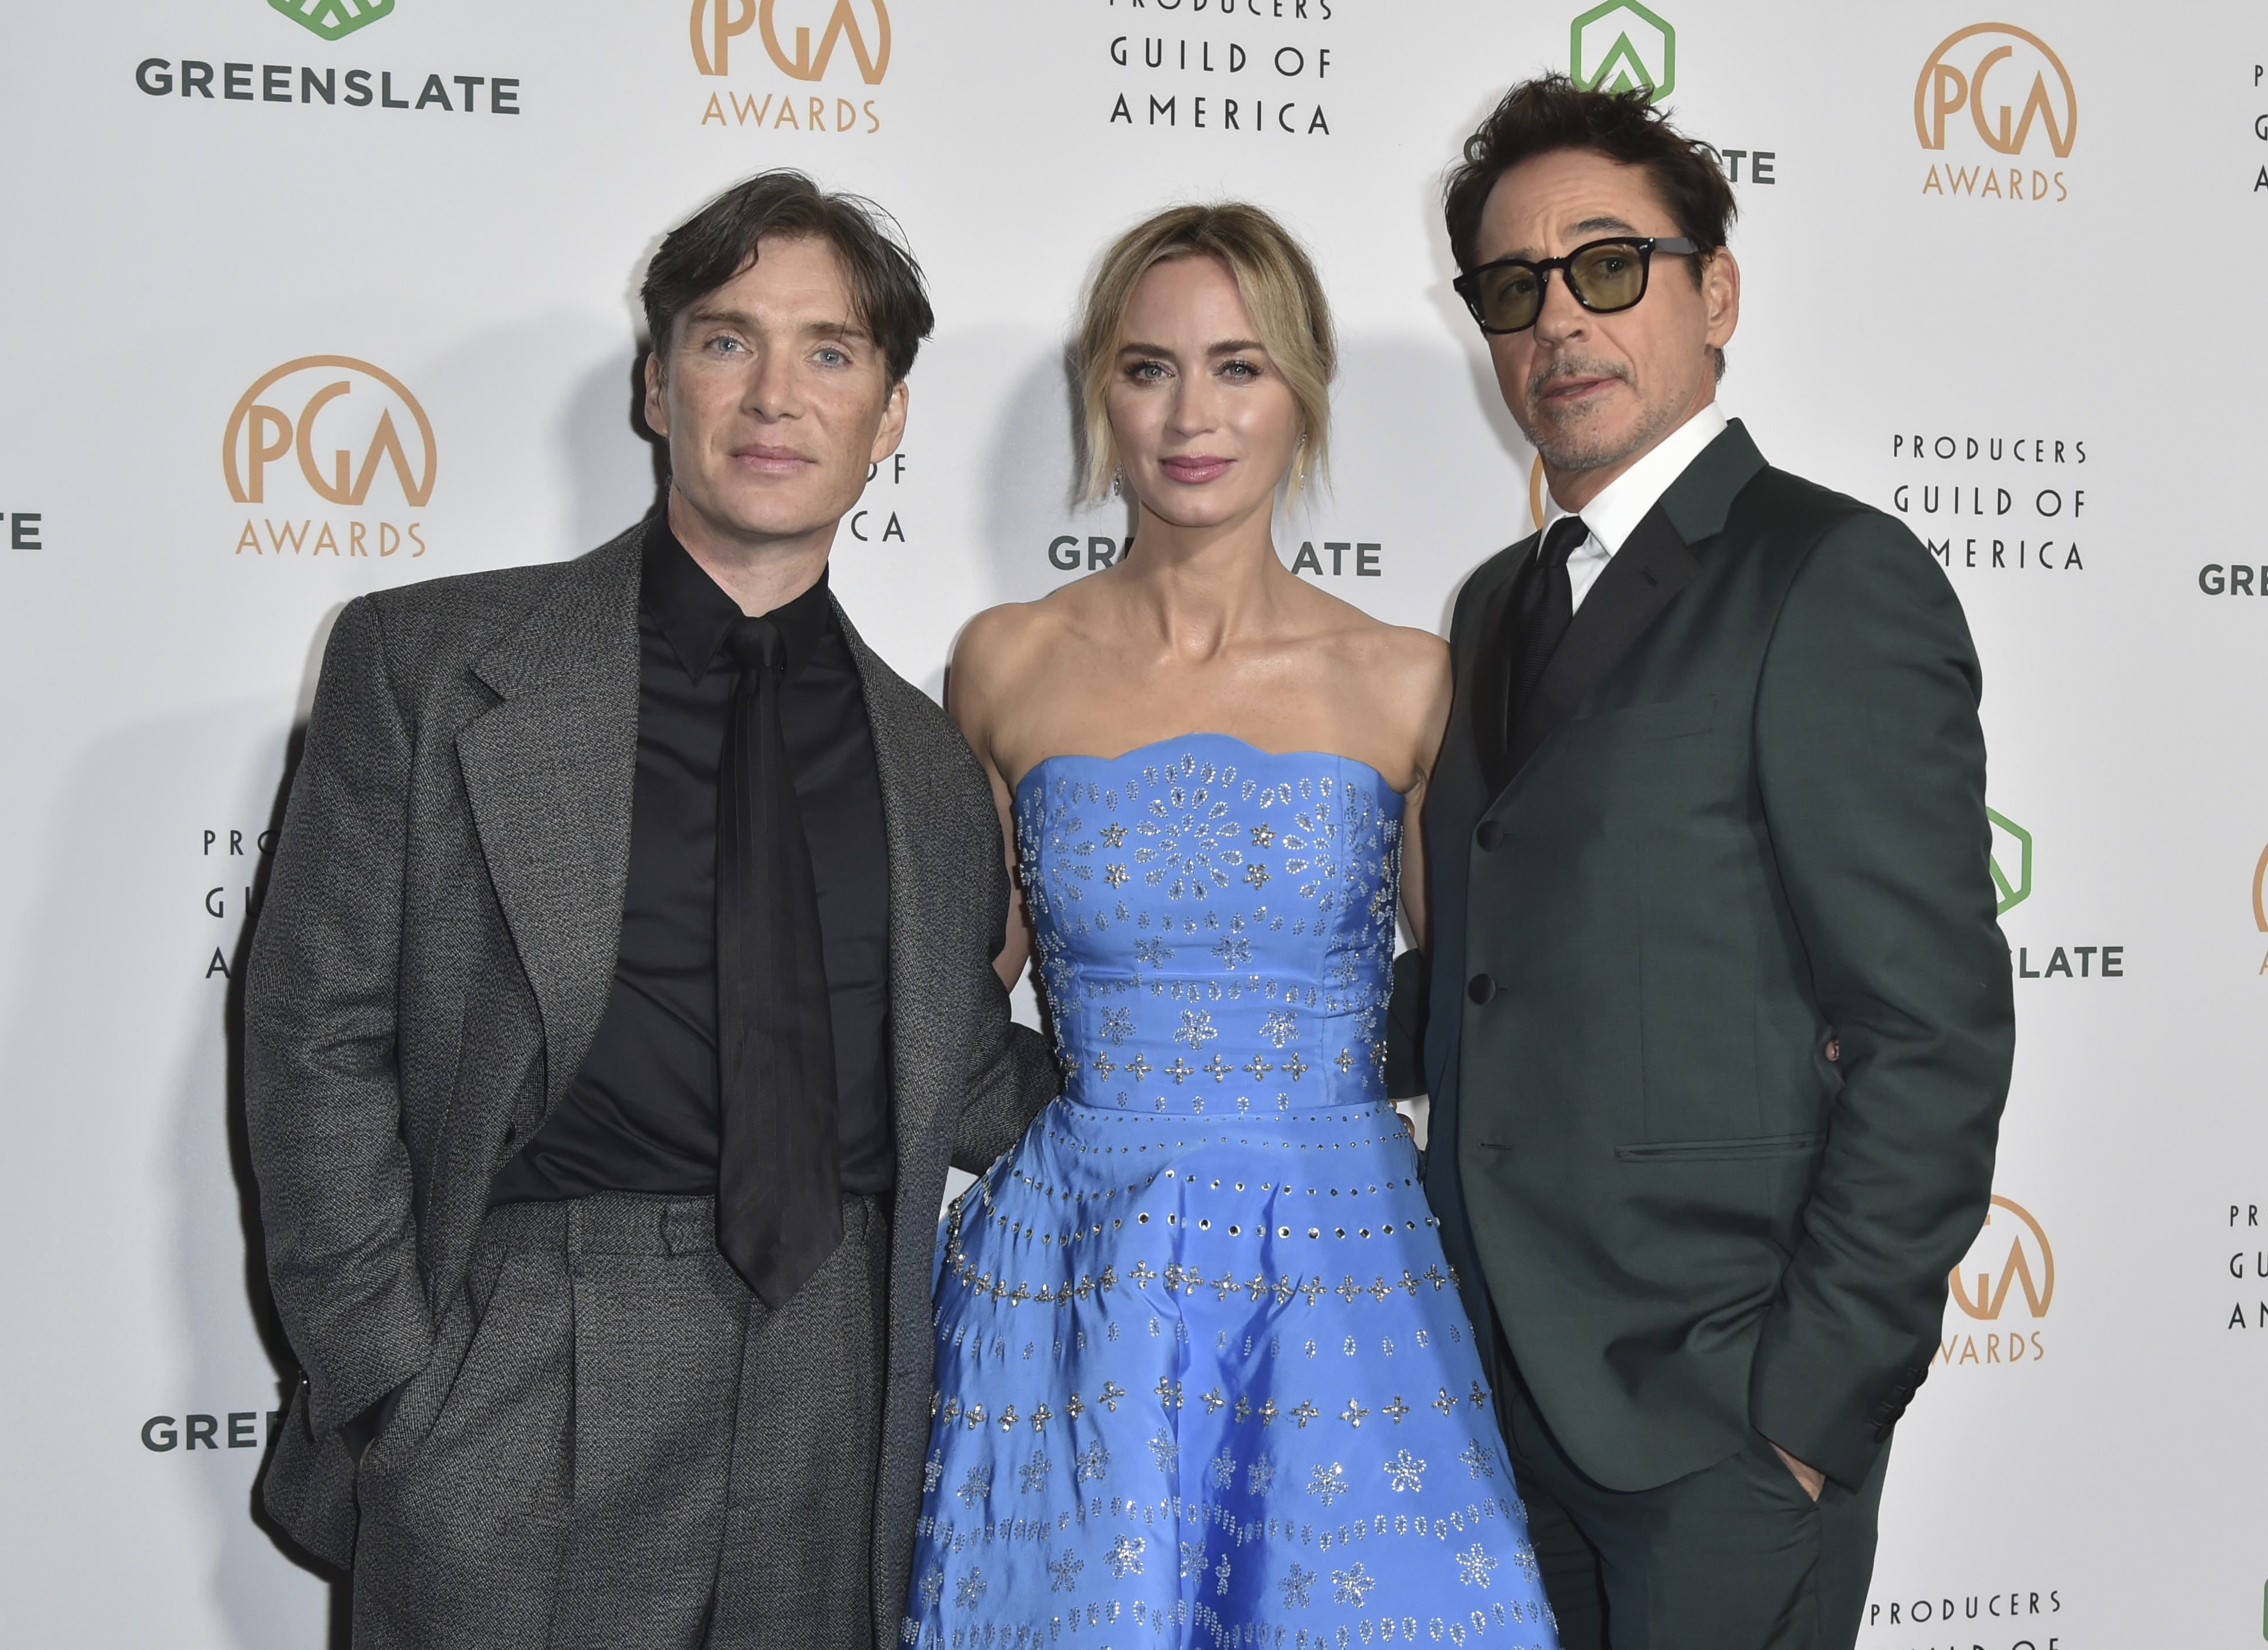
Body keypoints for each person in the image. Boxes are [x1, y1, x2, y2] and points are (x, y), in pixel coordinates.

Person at [242, 171, 1058, 1649]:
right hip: (519, 1367)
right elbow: (313, 1037)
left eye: (831, 351)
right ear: (654, 384)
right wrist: (389, 1385)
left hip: (841, 1381)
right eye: (725, 338)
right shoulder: (428, 664)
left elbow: (968, 1077)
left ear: (889, 422)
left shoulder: (935, 769)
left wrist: (1262, 1062)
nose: (774, 393)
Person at [1407, 77, 2016, 1650]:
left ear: (1712, 290)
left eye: (1607, 265)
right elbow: (1493, 974)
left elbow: (1928, 1033)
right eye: (1510, 287)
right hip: (1497, 1388)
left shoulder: (1829, 575)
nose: (1558, 320)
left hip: (1718, 1424)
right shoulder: (1492, 605)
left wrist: (1804, 1406)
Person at [902, 204, 1558, 1649]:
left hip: (1338, 1252)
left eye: (1238, 366)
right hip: (1079, 1265)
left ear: (1303, 394)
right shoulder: (1005, 660)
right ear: (1102, 395)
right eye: (1148, 369)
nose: (1192, 414)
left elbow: (1477, 993)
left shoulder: (1405, 679)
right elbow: (961, 981)